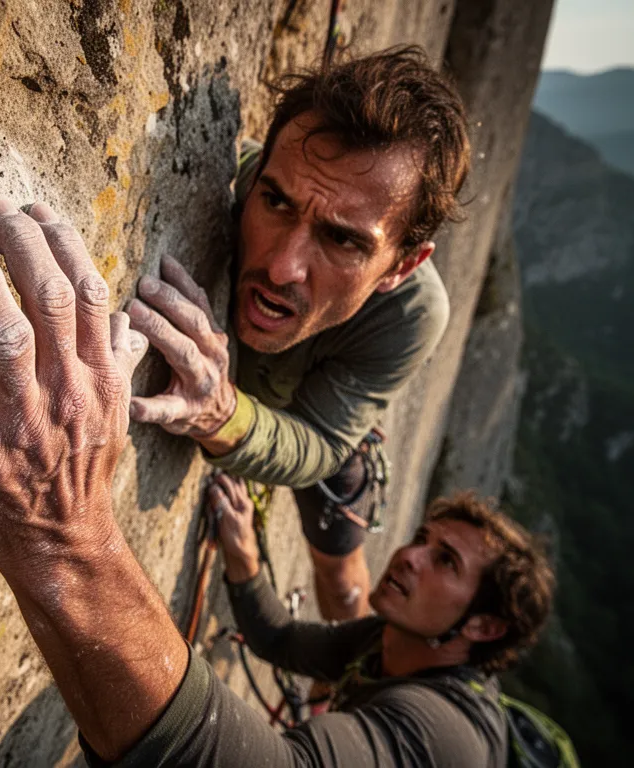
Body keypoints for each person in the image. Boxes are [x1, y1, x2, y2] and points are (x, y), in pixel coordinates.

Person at [0, 191, 553, 766]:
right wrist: (243, 561)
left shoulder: (448, 739)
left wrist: (61, 528)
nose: (408, 555)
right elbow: (282, 641)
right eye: (424, 538)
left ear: (484, 628)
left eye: (444, 560)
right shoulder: (390, 642)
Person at [126, 46, 469, 625]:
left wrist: (220, 414)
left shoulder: (410, 314)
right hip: (270, 389)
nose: (282, 266)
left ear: (401, 267)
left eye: (343, 240)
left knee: (339, 574)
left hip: (320, 405)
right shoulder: (236, 180)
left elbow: (321, 443)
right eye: (276, 201)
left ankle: (343, 667)